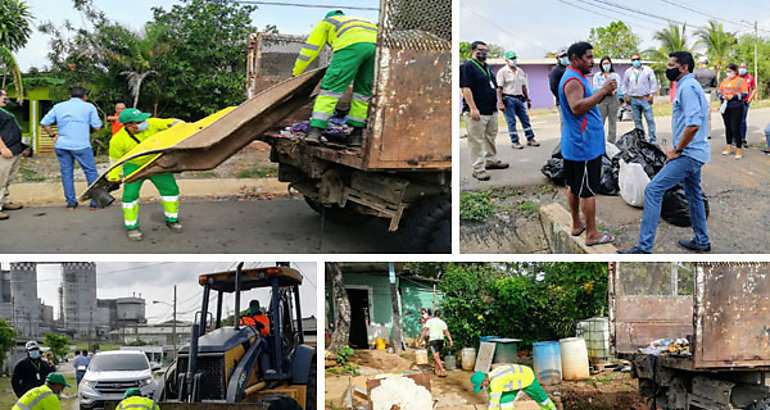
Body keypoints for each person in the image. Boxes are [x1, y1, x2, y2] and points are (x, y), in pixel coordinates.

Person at [618, 51, 711, 254]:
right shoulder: (690, 86)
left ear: (684, 67)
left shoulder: (687, 88)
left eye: (671, 65)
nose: (668, 69)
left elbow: (693, 125)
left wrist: (676, 150)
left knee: (653, 190)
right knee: (693, 195)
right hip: (695, 152)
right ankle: (702, 240)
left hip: (688, 154)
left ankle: (644, 248)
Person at [292, 10, 377, 146]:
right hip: (376, 49)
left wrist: (296, 74)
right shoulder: (361, 21)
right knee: (362, 93)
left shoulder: (326, 23)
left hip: (349, 48)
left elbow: (309, 51)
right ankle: (356, 135)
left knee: (330, 90)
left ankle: (315, 131)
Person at [559, 41, 616, 247]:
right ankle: (591, 234)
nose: (593, 62)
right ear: (575, 59)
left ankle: (577, 224)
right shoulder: (573, 80)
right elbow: (576, 107)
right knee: (587, 191)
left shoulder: (576, 77)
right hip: (583, 146)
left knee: (573, 186)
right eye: (588, 57)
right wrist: (602, 92)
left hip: (576, 143)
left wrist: (602, 92)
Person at [108, 108, 185, 241]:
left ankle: (172, 219)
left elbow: (171, 122)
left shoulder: (152, 124)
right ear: (129, 125)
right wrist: (113, 177)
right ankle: (132, 227)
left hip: (156, 164)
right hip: (134, 166)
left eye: (143, 119)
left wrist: (184, 126)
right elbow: (115, 160)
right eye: (139, 121)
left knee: (171, 191)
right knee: (130, 196)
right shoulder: (118, 140)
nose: (144, 122)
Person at [41, 86, 102, 210]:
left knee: (67, 173)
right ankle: (94, 203)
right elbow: (97, 127)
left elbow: (44, 123)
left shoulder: (58, 107)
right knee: (90, 172)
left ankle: (71, 203)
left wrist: (53, 136)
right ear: (84, 97)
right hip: (81, 146)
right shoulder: (89, 107)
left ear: (70, 96)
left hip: (62, 145)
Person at [461, 41, 509, 181]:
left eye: (485, 50)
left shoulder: (487, 67)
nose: (483, 53)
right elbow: (466, 88)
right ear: (473, 51)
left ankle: (491, 160)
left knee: (490, 137)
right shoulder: (468, 67)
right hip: (477, 111)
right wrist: (472, 107)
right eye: (480, 50)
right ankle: (478, 169)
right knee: (476, 140)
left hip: (490, 109)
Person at [496, 51, 539, 149]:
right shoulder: (502, 72)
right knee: (511, 121)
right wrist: (500, 102)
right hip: (508, 98)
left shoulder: (520, 71)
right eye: (511, 59)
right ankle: (515, 141)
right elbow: (499, 88)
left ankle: (530, 139)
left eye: (514, 58)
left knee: (525, 119)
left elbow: (524, 86)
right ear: (506, 60)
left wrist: (528, 99)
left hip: (519, 98)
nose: (513, 60)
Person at [470, 364, 557, 410]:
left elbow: (494, 404)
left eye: (481, 387)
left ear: (484, 381)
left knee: (541, 399)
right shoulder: (488, 382)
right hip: (513, 384)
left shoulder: (496, 382)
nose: (482, 389)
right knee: (505, 400)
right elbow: (491, 399)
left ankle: (552, 408)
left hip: (526, 377)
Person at [0, 89, 25, 220]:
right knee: (0, 179)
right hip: (4, 151)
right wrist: (3, 148)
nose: (6, 98)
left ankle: (3, 201)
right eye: (4, 95)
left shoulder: (3, 111)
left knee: (7, 179)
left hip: (13, 150)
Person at [621, 53, 658, 143]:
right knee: (637, 121)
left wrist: (651, 95)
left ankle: (652, 140)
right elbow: (624, 84)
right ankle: (642, 140)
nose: (636, 61)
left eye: (637, 59)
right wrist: (625, 95)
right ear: (631, 61)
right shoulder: (628, 72)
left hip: (645, 98)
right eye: (633, 60)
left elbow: (653, 82)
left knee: (650, 120)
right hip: (633, 99)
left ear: (640, 59)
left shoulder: (647, 70)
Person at [717, 64, 748, 159]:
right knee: (728, 127)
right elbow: (719, 92)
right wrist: (722, 96)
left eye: (730, 71)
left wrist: (733, 96)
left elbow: (745, 94)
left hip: (737, 106)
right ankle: (729, 146)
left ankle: (739, 149)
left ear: (735, 71)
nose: (728, 73)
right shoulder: (724, 81)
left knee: (735, 127)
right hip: (726, 106)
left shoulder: (741, 81)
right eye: (727, 71)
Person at [593, 56, 622, 143]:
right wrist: (606, 90)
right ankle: (598, 141)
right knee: (600, 121)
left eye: (607, 63)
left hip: (613, 99)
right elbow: (596, 87)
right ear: (601, 65)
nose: (606, 65)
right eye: (604, 64)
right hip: (601, 99)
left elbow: (617, 87)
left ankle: (611, 142)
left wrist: (605, 89)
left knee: (612, 121)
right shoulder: (597, 76)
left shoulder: (615, 75)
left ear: (610, 64)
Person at [416, 309, 453, 378]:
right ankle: (436, 370)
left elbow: (425, 330)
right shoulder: (442, 322)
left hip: (433, 340)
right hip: (441, 340)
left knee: (435, 356)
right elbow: (446, 332)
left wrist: (420, 339)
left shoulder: (430, 321)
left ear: (434, 315)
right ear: (440, 315)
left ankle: (442, 369)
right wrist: (450, 340)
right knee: (437, 355)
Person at [694, 57, 717, 138]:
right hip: (707, 94)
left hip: (697, 94)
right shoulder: (712, 73)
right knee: (707, 114)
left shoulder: (696, 72)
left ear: (700, 63)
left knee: (697, 114)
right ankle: (708, 134)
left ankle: (698, 132)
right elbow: (714, 85)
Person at [548, 47, 569, 134]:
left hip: (572, 101)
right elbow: (553, 87)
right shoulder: (556, 71)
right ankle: (564, 142)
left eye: (566, 55)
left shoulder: (569, 68)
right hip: (562, 101)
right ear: (558, 58)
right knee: (564, 122)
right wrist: (562, 97)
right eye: (563, 56)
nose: (565, 58)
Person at [738, 62, 757, 148]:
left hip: (745, 102)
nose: (742, 69)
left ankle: (743, 139)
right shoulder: (735, 77)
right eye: (740, 67)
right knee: (735, 121)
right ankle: (735, 138)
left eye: (744, 67)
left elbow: (754, 89)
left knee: (742, 120)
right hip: (735, 102)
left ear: (746, 68)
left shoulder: (750, 78)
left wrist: (750, 99)